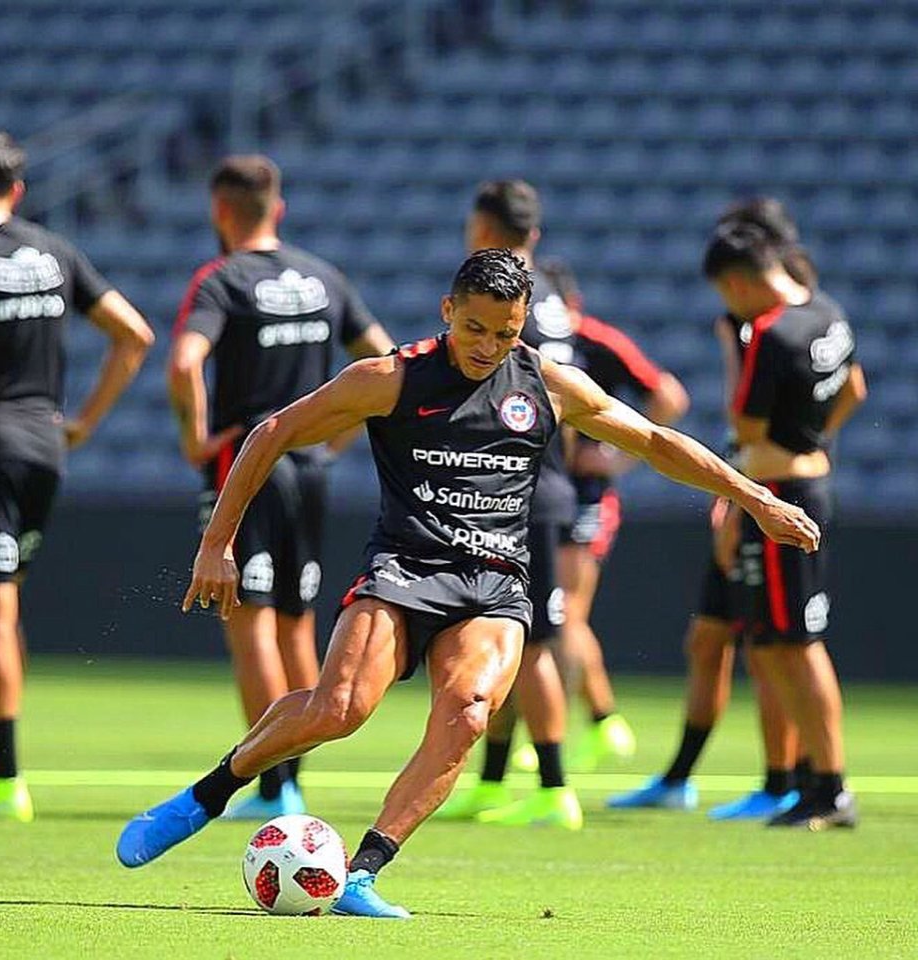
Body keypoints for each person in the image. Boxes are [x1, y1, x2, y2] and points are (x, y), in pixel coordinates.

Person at [117, 248, 820, 915]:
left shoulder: (546, 383)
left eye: (505, 332)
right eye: (475, 326)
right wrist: (218, 542)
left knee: (470, 713)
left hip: (493, 582)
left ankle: (362, 874)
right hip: (402, 570)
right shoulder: (389, 377)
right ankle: (207, 795)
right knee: (339, 710)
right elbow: (270, 432)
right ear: (448, 309)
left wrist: (756, 498)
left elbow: (658, 442)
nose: (487, 345)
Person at [168, 155, 393, 820]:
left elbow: (185, 362)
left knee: (250, 625)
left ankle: (270, 786)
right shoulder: (325, 277)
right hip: (311, 469)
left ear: (220, 211)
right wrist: (337, 435)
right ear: (279, 208)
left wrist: (196, 438)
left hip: (249, 463)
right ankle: (290, 779)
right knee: (298, 627)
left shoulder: (221, 279)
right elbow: (382, 358)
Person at [0, 131, 155, 821]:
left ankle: (3, 778)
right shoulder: (55, 253)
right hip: (46, 442)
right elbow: (134, 335)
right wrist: (83, 422)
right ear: (16, 190)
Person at [608, 200, 820, 819]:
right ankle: (682, 777)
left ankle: (785, 779)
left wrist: (747, 492)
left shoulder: (772, 326)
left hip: (764, 489)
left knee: (769, 642)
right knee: (708, 639)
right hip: (750, 481)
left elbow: (742, 415)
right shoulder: (792, 315)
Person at [435, 181, 583, 830]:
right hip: (530, 483)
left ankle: (554, 786)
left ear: (487, 229)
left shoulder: (508, 304)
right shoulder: (549, 296)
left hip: (525, 489)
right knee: (499, 642)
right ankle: (494, 780)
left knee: (539, 642)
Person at [706, 224, 863, 827]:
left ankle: (830, 787)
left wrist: (732, 347)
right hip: (805, 481)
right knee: (770, 644)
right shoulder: (827, 312)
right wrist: (815, 440)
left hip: (777, 494)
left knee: (795, 642)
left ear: (739, 282)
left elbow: (744, 429)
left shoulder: (770, 333)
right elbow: (855, 386)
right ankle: (811, 783)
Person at [539, 257, 689, 773]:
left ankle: (581, 724)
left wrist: (617, 459)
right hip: (552, 491)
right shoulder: (539, 345)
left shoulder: (594, 339)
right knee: (559, 617)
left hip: (585, 497)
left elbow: (668, 396)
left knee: (564, 616)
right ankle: (600, 720)